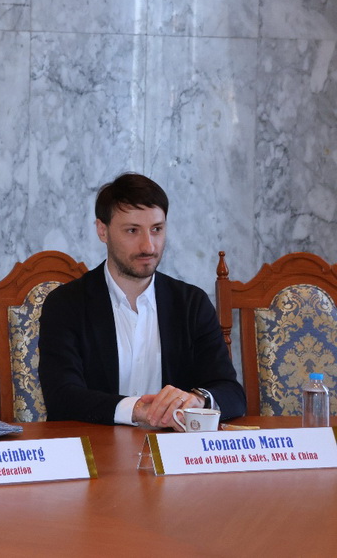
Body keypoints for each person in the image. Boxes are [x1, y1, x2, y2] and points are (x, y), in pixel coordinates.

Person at [38, 173, 245, 429]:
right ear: (102, 230)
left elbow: (231, 393)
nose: (148, 246)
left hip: (173, 448)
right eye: (132, 231)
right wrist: (136, 410)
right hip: (96, 447)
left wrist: (197, 400)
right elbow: (62, 397)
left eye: (157, 229)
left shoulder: (191, 303)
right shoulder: (65, 305)